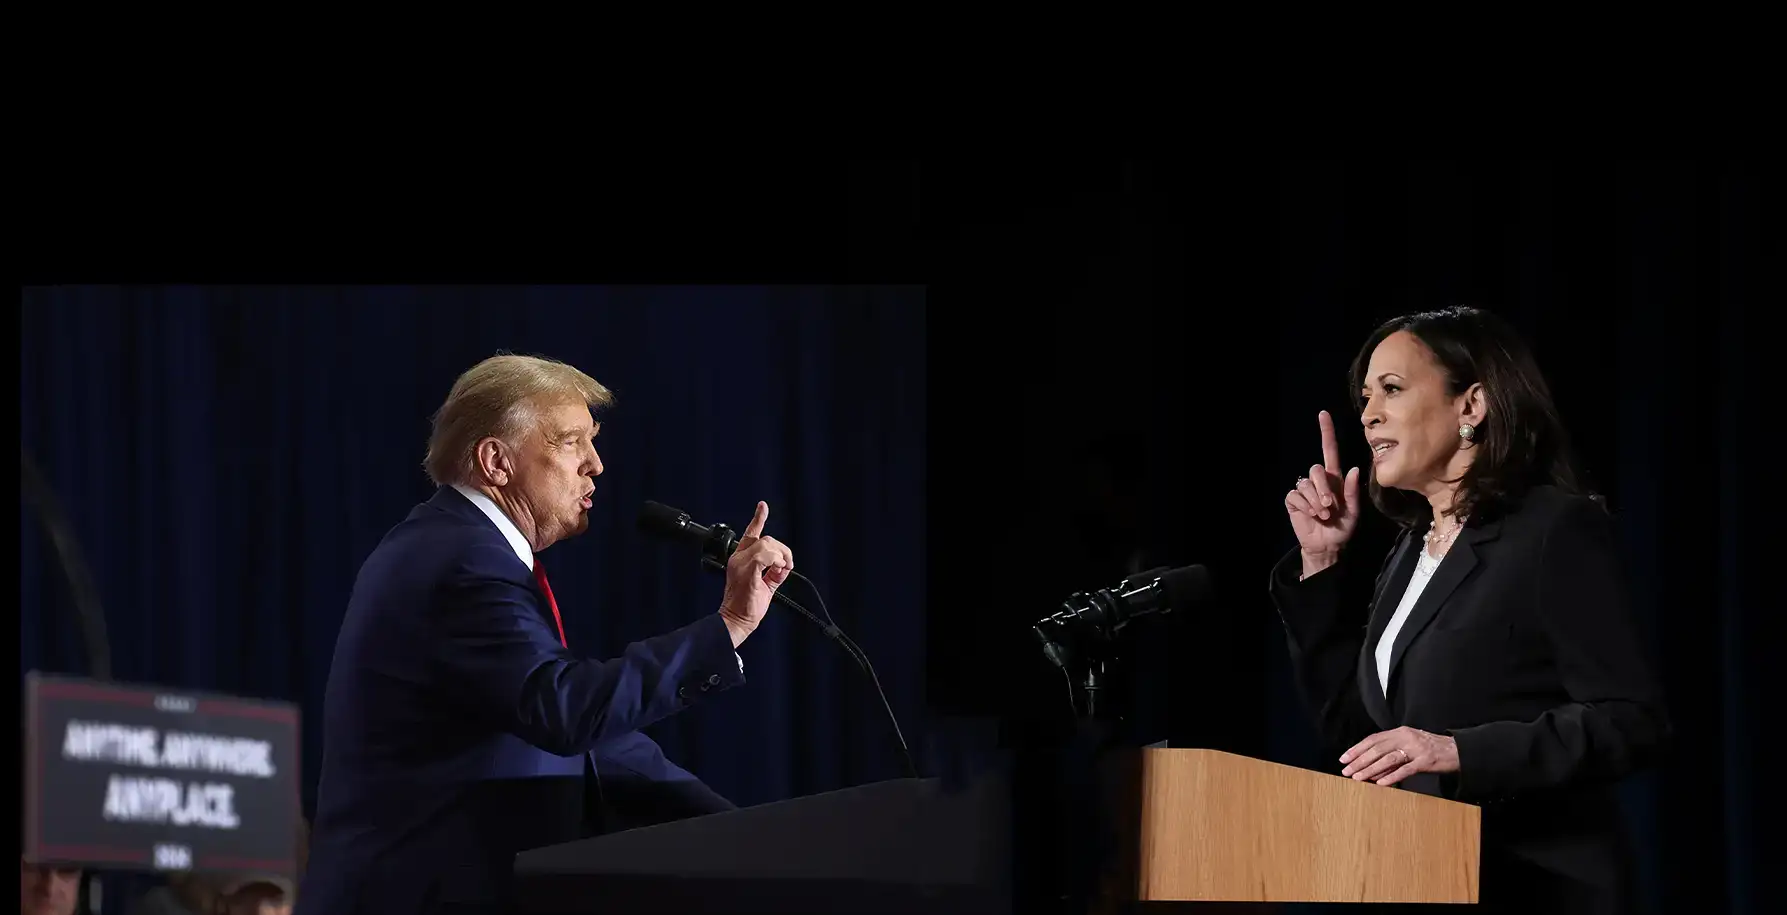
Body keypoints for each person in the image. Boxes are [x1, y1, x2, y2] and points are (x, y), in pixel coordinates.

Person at [297, 355, 793, 915]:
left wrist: (752, 837)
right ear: (496, 461)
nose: (597, 465)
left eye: (593, 441)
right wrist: (730, 625)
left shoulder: (464, 549)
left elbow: (595, 747)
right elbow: (561, 710)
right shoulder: (461, 559)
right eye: (571, 442)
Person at [1268, 307, 1670, 913]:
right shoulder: (1408, 553)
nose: (1370, 413)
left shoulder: (1552, 530)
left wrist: (1459, 751)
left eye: (1393, 390)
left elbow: (1632, 722)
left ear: (1472, 406)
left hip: (1534, 885)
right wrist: (1321, 563)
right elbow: (1359, 739)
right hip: (1421, 880)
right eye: (1365, 397)